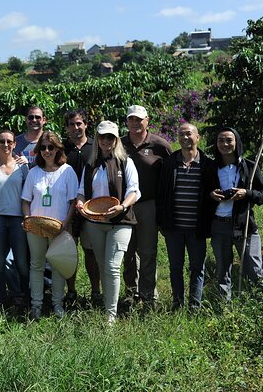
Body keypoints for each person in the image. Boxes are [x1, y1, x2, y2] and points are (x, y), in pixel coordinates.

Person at [76, 121, 140, 325]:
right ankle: (107, 304)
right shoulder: (91, 163)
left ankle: (110, 316)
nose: (106, 140)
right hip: (95, 222)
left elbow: (134, 190)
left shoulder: (125, 162)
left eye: (110, 137)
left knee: (112, 267)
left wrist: (122, 207)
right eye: (102, 136)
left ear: (116, 140)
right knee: (103, 267)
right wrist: (79, 203)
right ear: (98, 138)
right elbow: (81, 191)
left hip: (120, 221)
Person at [157, 123, 216, 311]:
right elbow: (161, 194)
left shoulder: (207, 165)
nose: (185, 137)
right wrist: (161, 221)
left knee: (197, 267)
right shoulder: (170, 162)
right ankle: (177, 303)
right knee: (175, 267)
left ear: (197, 137)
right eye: (181, 134)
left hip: (197, 227)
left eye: (189, 134)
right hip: (174, 227)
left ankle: (194, 306)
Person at [207, 127, 263, 301]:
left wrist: (246, 193)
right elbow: (203, 194)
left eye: (229, 140)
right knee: (222, 271)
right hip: (219, 225)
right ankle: (224, 309)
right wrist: (211, 195)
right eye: (221, 140)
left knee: (254, 268)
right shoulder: (211, 168)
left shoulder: (249, 166)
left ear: (237, 142)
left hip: (244, 225)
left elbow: (262, 195)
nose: (225, 144)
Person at [21, 131, 78, 319]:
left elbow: (73, 202)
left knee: (57, 265)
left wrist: (65, 223)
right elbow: (25, 201)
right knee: (36, 264)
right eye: (43, 147)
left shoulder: (67, 171)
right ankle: (36, 304)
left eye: (51, 147)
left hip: (59, 227)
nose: (47, 151)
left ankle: (57, 304)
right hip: (36, 227)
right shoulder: (33, 173)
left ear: (58, 149)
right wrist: (28, 219)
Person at [120, 105, 171, 309]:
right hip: (124, 206)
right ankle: (131, 294)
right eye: (131, 119)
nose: (135, 123)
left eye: (139, 119)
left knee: (148, 252)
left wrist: (164, 210)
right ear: (127, 122)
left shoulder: (159, 145)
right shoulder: (119, 144)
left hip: (149, 204)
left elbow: (169, 177)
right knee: (128, 252)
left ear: (147, 120)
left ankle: (149, 296)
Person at [0, 130, 30, 308]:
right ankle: (0, 298)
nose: (5, 144)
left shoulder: (22, 167)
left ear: (14, 144)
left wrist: (27, 218)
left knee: (21, 262)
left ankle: (25, 296)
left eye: (9, 141)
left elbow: (28, 195)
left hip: (18, 219)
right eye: (2, 141)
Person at [63, 109, 101, 307]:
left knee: (91, 251)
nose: (76, 128)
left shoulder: (95, 147)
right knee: (69, 251)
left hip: (90, 208)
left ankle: (96, 291)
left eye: (79, 123)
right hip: (67, 208)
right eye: (71, 124)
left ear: (86, 124)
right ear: (67, 127)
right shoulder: (62, 147)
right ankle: (70, 292)